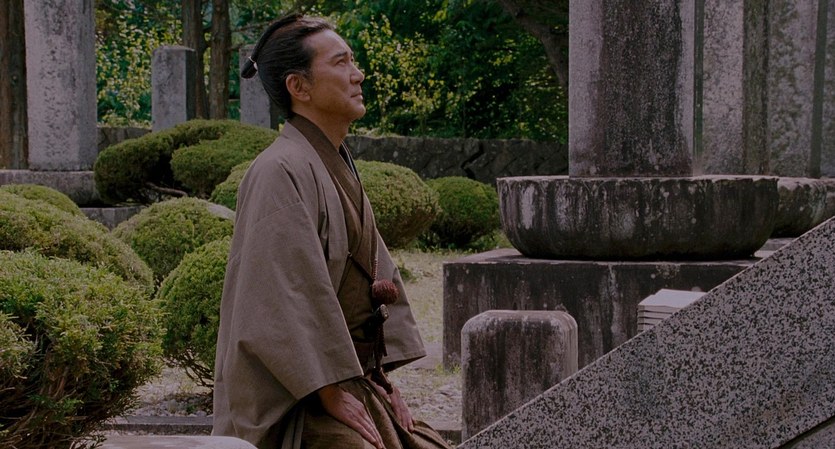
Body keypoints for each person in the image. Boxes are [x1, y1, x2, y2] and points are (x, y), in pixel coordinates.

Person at [212, 14, 452, 449]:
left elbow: (371, 281)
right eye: (341, 63)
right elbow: (282, 297)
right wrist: (326, 391)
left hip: (344, 377)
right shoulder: (278, 170)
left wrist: (379, 378)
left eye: (352, 61)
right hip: (294, 398)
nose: (358, 75)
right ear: (298, 87)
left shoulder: (333, 160)